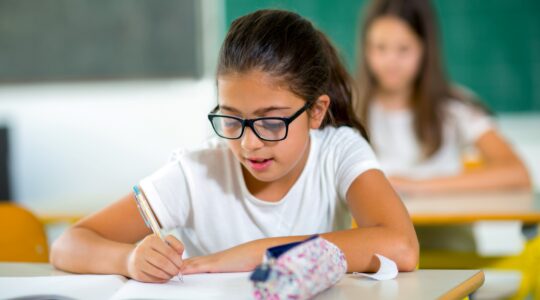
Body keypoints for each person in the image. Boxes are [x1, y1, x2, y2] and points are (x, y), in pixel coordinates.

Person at [51, 9, 418, 283]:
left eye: (271, 122)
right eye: (231, 119)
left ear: (316, 112)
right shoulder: (197, 171)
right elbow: (69, 243)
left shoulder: (338, 151)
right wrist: (128, 261)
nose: (248, 142)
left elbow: (401, 246)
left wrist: (245, 256)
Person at [355, 0, 531, 195]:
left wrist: (415, 186)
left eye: (403, 49)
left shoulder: (454, 106)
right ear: (366, 48)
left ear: (425, 49)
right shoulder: (349, 107)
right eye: (380, 48)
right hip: (379, 225)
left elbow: (518, 174)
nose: (391, 61)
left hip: (447, 224)